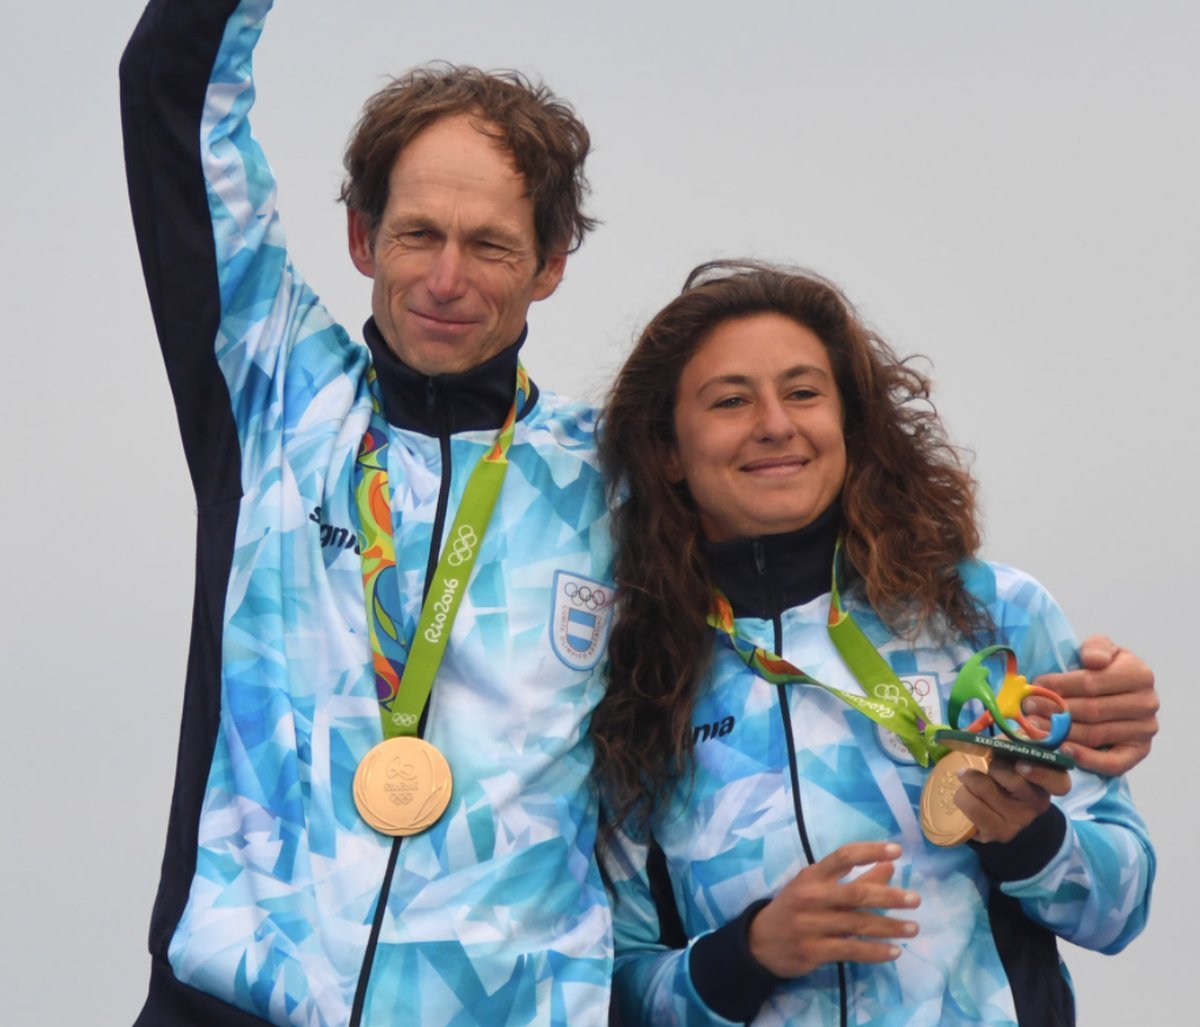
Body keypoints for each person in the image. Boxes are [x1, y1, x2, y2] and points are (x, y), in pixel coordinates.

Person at [118, 0, 1157, 1024]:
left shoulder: (615, 480)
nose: (446, 278)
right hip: (236, 1005)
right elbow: (170, 96)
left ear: (550, 262)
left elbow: (815, 553)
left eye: (490, 244)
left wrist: (1095, 699)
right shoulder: (276, 401)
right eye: (418, 233)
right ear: (361, 235)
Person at [592, 261, 1154, 1026]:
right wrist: (749, 953)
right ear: (666, 449)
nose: (775, 424)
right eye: (730, 400)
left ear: (849, 422)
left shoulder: (990, 614)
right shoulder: (636, 671)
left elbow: (1122, 906)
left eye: (803, 392)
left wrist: (1029, 839)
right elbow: (616, 987)